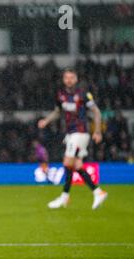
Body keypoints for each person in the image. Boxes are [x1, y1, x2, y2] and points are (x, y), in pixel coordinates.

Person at [38, 68, 108, 210]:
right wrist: (46, 120)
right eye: (66, 78)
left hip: (81, 132)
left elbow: (96, 111)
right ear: (64, 80)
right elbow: (58, 112)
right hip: (70, 133)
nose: (69, 80)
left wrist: (98, 131)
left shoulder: (83, 94)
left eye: (71, 77)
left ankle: (64, 197)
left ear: (76, 79)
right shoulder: (61, 94)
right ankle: (98, 192)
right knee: (76, 165)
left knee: (67, 163)